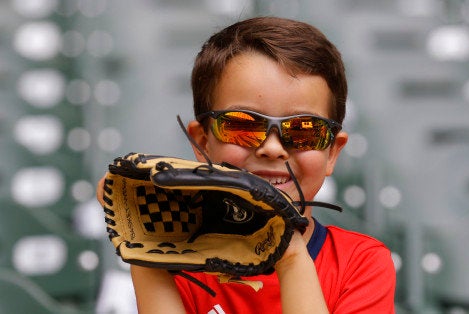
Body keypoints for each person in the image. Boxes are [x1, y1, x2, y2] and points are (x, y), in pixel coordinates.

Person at [98, 16, 396, 313]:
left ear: (332, 153)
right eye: (243, 126)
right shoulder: (176, 262)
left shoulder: (361, 262)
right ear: (202, 142)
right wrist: (142, 244)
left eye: (304, 130)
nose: (272, 148)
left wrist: (289, 252)